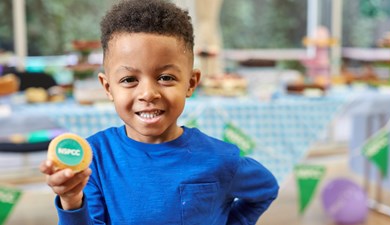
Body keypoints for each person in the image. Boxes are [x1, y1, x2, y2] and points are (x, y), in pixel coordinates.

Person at [40, 0, 279, 224]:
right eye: (129, 79)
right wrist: (71, 201)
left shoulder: (221, 158)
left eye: (165, 77)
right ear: (108, 87)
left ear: (191, 83)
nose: (148, 93)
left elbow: (266, 189)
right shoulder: (95, 159)